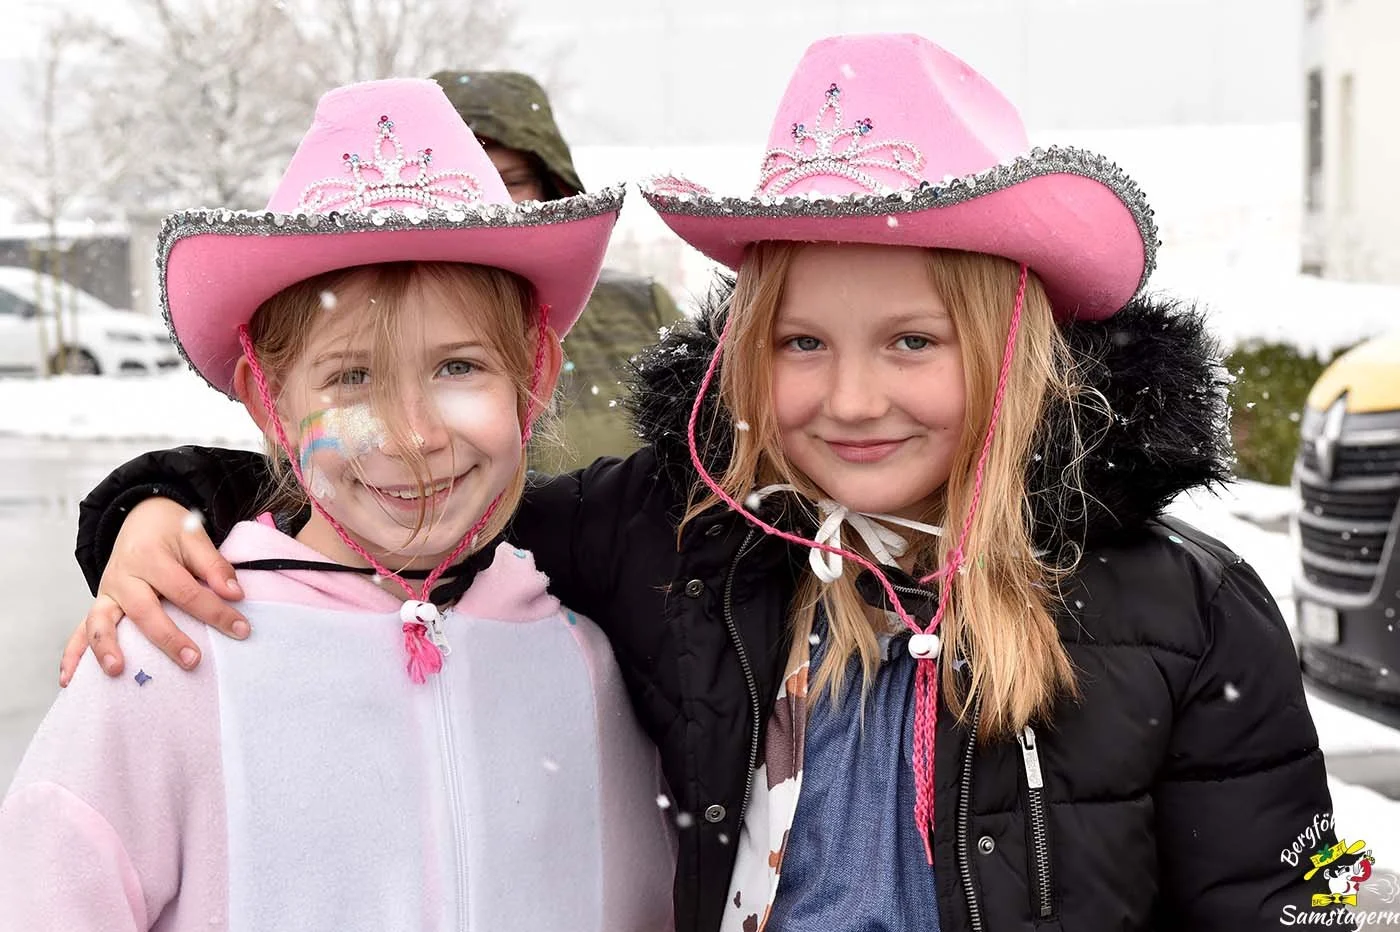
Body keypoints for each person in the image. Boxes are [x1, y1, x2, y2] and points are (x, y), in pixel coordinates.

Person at [61, 35, 1346, 931]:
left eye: (912, 341)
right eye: (800, 342)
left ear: (1010, 346)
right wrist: (162, 507)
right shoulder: (688, 540)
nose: (848, 398)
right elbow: (422, 501)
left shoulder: (1190, 614)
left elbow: (1304, 899)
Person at [2, 78, 674, 929]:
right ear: (268, 400)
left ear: (534, 377)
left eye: (458, 367)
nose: (413, 434)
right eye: (352, 378)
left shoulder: (580, 663)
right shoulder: (166, 661)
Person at [431, 69, 684, 470]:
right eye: (463, 183)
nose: (488, 201)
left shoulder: (641, 310)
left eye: (509, 181)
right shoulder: (368, 326)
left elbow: (706, 468)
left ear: (549, 188)